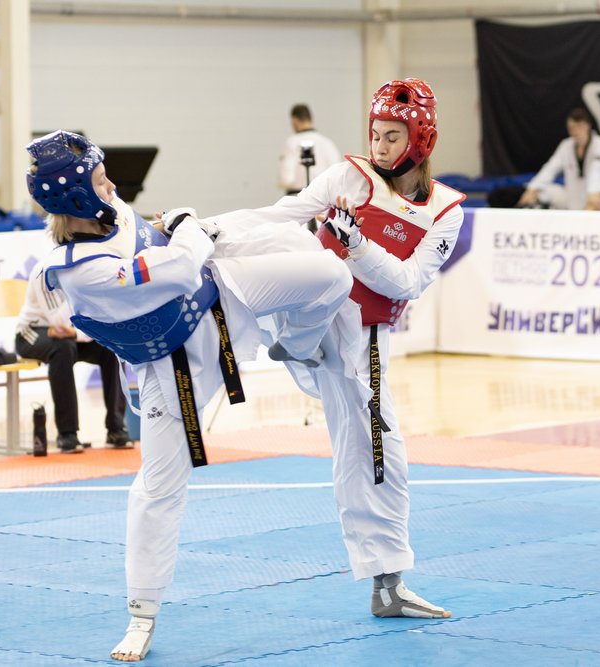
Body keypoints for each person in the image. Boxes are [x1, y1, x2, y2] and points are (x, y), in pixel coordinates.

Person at [25, 130, 352, 661]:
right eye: (101, 181)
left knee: (328, 271)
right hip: (172, 366)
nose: (112, 188)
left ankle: (294, 345)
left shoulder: (110, 212)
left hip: (224, 293)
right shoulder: (82, 272)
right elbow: (177, 268)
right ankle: (142, 613)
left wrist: (181, 226)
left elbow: (173, 248)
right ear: (78, 198)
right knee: (158, 488)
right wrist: (187, 226)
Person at [206, 78, 464, 623]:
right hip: (306, 301)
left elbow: (406, 282)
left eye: (393, 136)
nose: (380, 146)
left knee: (374, 451)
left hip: (360, 338)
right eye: (376, 134)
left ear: (420, 139)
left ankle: (388, 585)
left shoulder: (445, 211)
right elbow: (278, 215)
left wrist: (358, 245)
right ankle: (272, 331)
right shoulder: (349, 176)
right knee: (289, 239)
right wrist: (205, 228)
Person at [14, 261, 131, 453]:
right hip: (33, 332)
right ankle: (67, 433)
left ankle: (116, 428)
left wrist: (77, 333)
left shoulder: (91, 267)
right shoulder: (44, 272)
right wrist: (77, 289)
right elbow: (58, 322)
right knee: (63, 347)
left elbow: (101, 321)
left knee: (110, 346)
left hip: (72, 333)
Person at [517, 107, 600, 210]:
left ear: (588, 126)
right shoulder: (566, 145)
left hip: (598, 199)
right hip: (573, 199)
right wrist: (532, 188)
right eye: (572, 128)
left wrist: (593, 194)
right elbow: (550, 168)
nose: (575, 131)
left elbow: (597, 173)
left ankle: (586, 218)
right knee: (537, 192)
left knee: (596, 198)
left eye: (579, 127)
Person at [278, 103, 342, 195]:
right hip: (321, 196)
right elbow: (336, 174)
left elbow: (286, 178)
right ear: (311, 119)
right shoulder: (327, 143)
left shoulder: (291, 142)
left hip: (297, 195)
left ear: (294, 120)